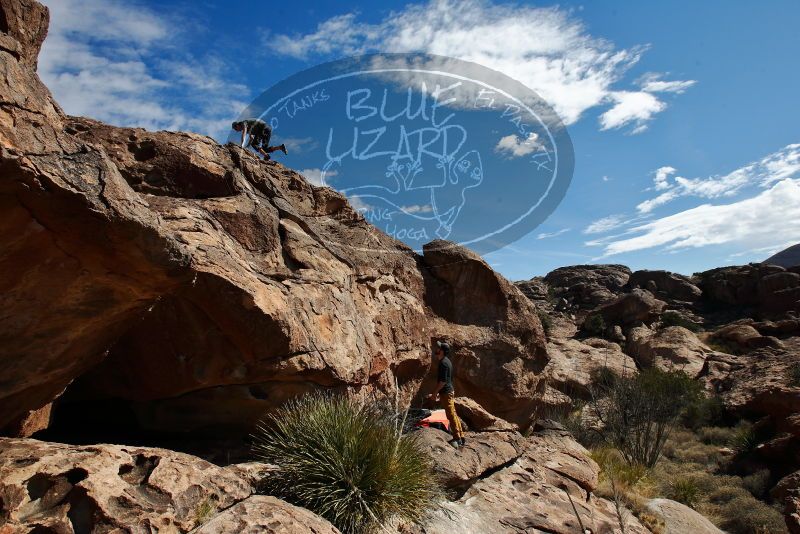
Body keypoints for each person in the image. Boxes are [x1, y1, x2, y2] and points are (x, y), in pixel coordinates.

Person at [426, 340, 465, 448]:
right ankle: (461, 436)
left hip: (447, 392)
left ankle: (457, 438)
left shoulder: (444, 363)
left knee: (451, 414)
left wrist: (434, 394)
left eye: (438, 348)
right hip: (447, 391)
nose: (436, 349)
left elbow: (442, 382)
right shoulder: (446, 361)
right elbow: (447, 380)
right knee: (453, 413)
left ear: (442, 351)